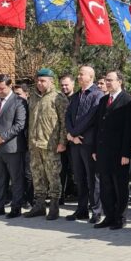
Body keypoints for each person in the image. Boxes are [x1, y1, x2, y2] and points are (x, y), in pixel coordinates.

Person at [23, 68, 68, 220]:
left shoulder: (58, 98)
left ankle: (54, 205)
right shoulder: (33, 97)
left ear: (51, 81)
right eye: (38, 80)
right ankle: (39, 205)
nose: (39, 83)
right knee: (37, 175)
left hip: (51, 144)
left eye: (43, 81)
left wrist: (63, 142)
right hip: (34, 144)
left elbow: (64, 122)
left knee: (53, 175)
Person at [92, 71, 131, 230]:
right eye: (106, 80)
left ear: (120, 81)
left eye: (110, 80)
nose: (107, 83)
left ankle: (120, 217)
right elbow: (99, 127)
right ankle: (109, 216)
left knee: (120, 186)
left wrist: (126, 153)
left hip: (119, 153)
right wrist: (95, 149)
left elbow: (128, 129)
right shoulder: (104, 100)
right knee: (105, 186)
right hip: (103, 151)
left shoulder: (128, 101)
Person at [0, 74, 28, 219]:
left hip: (12, 147)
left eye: (2, 88)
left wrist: (2, 138)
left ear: (10, 86)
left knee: (16, 179)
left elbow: (20, 124)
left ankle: (16, 208)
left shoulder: (19, 101)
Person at [65, 66, 103, 223]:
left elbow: (91, 117)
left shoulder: (97, 95)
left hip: (88, 143)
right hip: (75, 143)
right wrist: (71, 134)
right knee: (79, 177)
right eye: (78, 74)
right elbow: (68, 116)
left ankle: (96, 211)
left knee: (92, 178)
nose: (78, 76)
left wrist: (73, 133)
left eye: (82, 74)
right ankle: (81, 210)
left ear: (91, 76)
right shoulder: (75, 96)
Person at [58, 74, 76, 204]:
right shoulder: (58, 99)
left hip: (76, 140)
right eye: (62, 85)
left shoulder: (77, 98)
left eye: (66, 84)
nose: (64, 87)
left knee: (77, 171)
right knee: (61, 170)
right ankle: (60, 197)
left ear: (73, 84)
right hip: (61, 141)